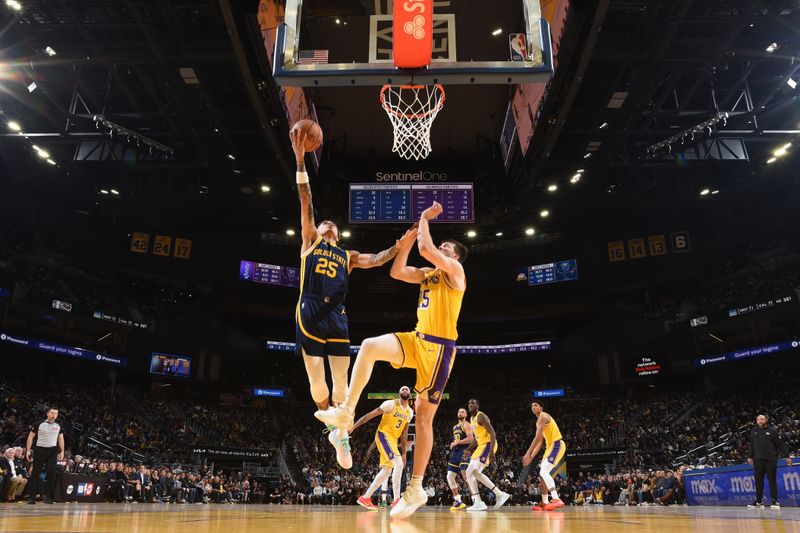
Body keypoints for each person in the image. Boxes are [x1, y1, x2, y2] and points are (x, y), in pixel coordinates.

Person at [316, 201, 467, 518]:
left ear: (453, 257)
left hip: (439, 350)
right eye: (441, 247)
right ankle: (346, 412)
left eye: (445, 248)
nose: (440, 249)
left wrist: (424, 220)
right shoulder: (428, 275)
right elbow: (397, 271)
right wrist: (406, 243)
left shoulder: (455, 272)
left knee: (424, 418)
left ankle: (415, 487)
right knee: (370, 345)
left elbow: (428, 250)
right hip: (417, 339)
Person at [290, 127, 403, 469]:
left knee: (341, 381)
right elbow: (306, 198)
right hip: (310, 308)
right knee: (316, 379)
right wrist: (299, 158)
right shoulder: (309, 241)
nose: (325, 224)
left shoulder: (348, 256)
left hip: (337, 314)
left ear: (337, 234)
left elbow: (378, 259)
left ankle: (339, 431)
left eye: (330, 224)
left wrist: (398, 247)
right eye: (323, 223)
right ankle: (332, 425)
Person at [348, 386, 413, 510]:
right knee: (398, 464)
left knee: (387, 471)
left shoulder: (409, 412)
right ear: (399, 394)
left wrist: (404, 453)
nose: (405, 390)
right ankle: (397, 500)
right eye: (402, 389)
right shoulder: (390, 404)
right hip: (383, 435)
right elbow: (369, 416)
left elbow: (404, 434)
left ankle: (366, 498)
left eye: (407, 389)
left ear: (409, 395)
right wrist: (353, 428)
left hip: (393, 440)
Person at [464, 399, 510, 511]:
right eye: (469, 404)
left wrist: (492, 452)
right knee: (473, 472)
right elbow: (476, 438)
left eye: (473, 403)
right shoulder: (471, 419)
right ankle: (499, 494)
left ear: (477, 405)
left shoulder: (481, 416)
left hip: (488, 445)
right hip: (481, 446)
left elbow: (493, 433)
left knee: (470, 472)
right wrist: (468, 449)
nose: (471, 405)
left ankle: (479, 501)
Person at [523, 400, 567, 511]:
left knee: (544, 471)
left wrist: (528, 453)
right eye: (531, 405)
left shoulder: (543, 416)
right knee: (542, 475)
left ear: (541, 407)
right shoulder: (538, 421)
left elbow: (537, 438)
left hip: (556, 444)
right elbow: (540, 442)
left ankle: (557, 499)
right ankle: (545, 502)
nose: (533, 407)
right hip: (550, 447)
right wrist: (531, 457)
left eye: (535, 405)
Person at [747, 414, 793, 509]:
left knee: (772, 480)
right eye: (758, 419)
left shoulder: (772, 431)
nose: (760, 421)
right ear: (756, 421)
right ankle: (759, 502)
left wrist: (787, 456)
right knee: (758, 481)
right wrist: (750, 457)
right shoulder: (753, 431)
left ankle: (775, 501)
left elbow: (780, 444)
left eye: (762, 419)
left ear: (766, 420)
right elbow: (751, 445)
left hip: (771, 459)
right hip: (758, 459)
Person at [25, 407, 64, 504]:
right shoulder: (39, 424)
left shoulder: (59, 425)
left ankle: (49, 497)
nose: (54, 414)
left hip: (52, 451)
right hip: (40, 449)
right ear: (47, 414)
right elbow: (30, 437)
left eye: (56, 413)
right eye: (52, 412)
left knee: (51, 473)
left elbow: (60, 438)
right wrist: (28, 450)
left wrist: (62, 451)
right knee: (35, 473)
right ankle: (31, 497)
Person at [447, 407, 473, 510]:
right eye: (458, 411)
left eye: (462, 411)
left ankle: (476, 499)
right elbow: (456, 440)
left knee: (465, 474)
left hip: (464, 451)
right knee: (449, 476)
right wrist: (453, 444)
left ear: (466, 415)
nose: (460, 413)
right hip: (455, 453)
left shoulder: (467, 425)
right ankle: (458, 500)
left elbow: (470, 439)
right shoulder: (454, 427)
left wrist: (457, 442)